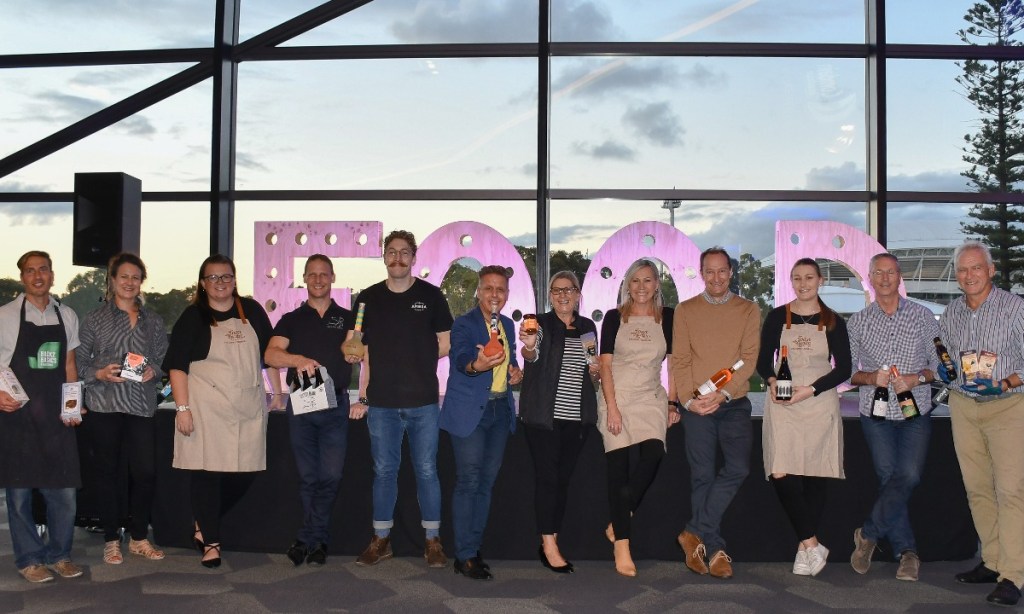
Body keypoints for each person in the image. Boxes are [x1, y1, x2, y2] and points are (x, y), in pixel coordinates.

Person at [162, 254, 283, 569]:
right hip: (207, 409)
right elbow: (177, 367)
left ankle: (203, 523)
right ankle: (211, 544)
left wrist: (278, 391)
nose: (220, 283)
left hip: (247, 407)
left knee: (248, 471)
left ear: (234, 279)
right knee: (208, 473)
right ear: (203, 283)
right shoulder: (193, 317)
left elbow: (269, 353)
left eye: (226, 277)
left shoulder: (252, 311)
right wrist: (183, 408)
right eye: (213, 278)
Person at [349, 230, 453, 569]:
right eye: (392, 252)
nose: (398, 258)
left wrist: (418, 359)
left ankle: (432, 540)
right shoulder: (366, 299)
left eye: (404, 252)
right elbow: (358, 348)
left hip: (423, 401)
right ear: (384, 257)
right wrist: (362, 389)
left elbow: (446, 341)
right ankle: (381, 539)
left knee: (426, 471)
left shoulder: (432, 296)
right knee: (383, 472)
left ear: (413, 257)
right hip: (381, 403)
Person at [939, 240, 1024, 607]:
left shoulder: (1015, 307)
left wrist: (1004, 382)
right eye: (962, 269)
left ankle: (1013, 575)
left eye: (976, 268)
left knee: (1010, 491)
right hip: (963, 405)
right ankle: (992, 561)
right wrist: (944, 369)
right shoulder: (952, 312)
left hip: (1007, 406)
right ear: (956, 277)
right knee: (977, 490)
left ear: (991, 271)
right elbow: (942, 353)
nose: (969, 275)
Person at [265, 254, 363, 567]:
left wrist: (361, 384)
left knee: (330, 476)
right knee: (308, 477)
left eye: (324, 274)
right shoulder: (291, 319)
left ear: (333, 278)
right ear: (304, 279)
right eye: (312, 274)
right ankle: (317, 541)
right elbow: (271, 354)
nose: (318, 279)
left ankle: (308, 538)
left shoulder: (349, 318)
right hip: (302, 402)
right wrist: (299, 361)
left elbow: (361, 354)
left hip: (335, 404)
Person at [846, 252, 938, 582]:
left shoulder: (924, 317)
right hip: (877, 414)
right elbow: (848, 373)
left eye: (891, 272)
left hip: (916, 410)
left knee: (909, 475)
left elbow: (940, 365)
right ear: (869, 278)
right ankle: (907, 553)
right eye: (878, 273)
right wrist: (870, 378)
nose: (885, 278)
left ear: (900, 278)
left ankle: (868, 534)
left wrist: (918, 378)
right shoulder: (856, 322)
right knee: (888, 478)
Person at [757, 257, 852, 577]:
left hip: (818, 401)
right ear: (791, 281)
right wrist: (772, 382)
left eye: (809, 277)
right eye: (797, 278)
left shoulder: (834, 321)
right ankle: (812, 542)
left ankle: (803, 550)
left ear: (820, 280)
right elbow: (761, 361)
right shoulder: (775, 317)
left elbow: (844, 369)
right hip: (783, 402)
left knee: (814, 474)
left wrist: (809, 390)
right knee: (780, 470)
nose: (803, 283)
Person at [671, 247, 760, 580]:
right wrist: (690, 400)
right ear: (701, 272)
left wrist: (722, 394)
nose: (717, 277)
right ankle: (714, 548)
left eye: (722, 271)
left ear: (731, 272)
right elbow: (679, 360)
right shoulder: (685, 310)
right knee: (702, 476)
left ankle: (693, 530)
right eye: (710, 271)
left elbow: (748, 360)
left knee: (738, 468)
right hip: (695, 405)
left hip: (733, 402)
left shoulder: (749, 310)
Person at [76, 252, 168, 565]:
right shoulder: (94, 319)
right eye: (124, 277)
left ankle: (139, 537)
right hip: (104, 404)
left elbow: (161, 360)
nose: (130, 282)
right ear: (112, 281)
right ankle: (111, 539)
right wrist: (98, 374)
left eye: (135, 277)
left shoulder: (153, 321)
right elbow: (80, 364)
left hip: (141, 405)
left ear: (142, 281)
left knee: (145, 472)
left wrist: (154, 371)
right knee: (107, 474)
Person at [0, 251, 84, 583]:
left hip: (56, 418)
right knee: (19, 494)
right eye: (30, 271)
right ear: (22, 277)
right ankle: (29, 559)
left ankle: (60, 555)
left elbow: (69, 365)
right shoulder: (5, 316)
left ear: (52, 274)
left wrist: (73, 405)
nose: (38, 276)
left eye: (44, 270)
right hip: (17, 416)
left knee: (63, 492)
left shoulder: (67, 315)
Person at [440, 265, 522, 580]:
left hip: (500, 412)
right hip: (470, 413)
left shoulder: (510, 327)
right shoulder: (463, 324)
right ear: (478, 291)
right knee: (469, 482)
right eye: (488, 288)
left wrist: (516, 373)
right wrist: (477, 364)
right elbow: (461, 360)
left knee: (485, 484)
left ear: (507, 294)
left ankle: (473, 549)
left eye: (500, 289)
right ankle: (464, 555)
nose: (494, 294)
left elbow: (510, 364)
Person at [598, 259, 678, 577]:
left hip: (650, 398)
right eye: (635, 281)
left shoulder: (668, 317)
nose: (641, 287)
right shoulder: (614, 317)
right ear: (627, 285)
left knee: (654, 455)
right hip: (615, 395)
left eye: (647, 281)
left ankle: (618, 521)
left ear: (657, 284)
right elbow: (605, 366)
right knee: (618, 470)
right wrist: (613, 408)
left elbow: (673, 364)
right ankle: (622, 545)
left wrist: (673, 403)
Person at [519, 271, 600, 574]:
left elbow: (592, 369)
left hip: (577, 419)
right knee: (547, 480)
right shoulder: (539, 324)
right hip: (543, 418)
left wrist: (598, 373)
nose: (563, 295)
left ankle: (552, 538)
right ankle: (549, 544)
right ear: (550, 295)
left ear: (578, 294)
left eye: (569, 290)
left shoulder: (587, 327)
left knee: (562, 481)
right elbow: (532, 353)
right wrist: (528, 345)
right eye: (557, 290)